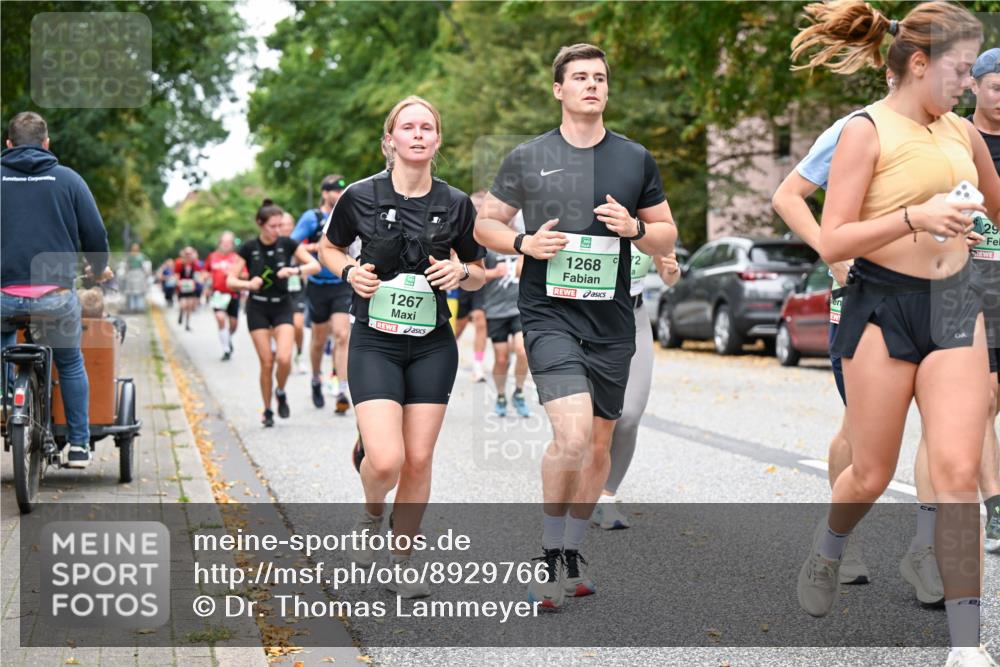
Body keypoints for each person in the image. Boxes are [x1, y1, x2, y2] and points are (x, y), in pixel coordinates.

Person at [788, 4, 999, 666]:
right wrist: (916, 215)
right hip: (881, 306)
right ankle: (828, 546)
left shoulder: (962, 133)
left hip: (954, 306)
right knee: (870, 471)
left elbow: (996, 206)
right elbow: (833, 236)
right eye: (961, 70)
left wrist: (973, 230)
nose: (967, 83)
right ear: (919, 64)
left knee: (960, 470)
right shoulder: (865, 131)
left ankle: (966, 644)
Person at [474, 44, 677, 609]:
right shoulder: (526, 157)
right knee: (573, 435)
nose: (592, 84)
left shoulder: (634, 159)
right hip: (549, 315)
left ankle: (570, 551)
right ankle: (547, 554)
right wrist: (523, 242)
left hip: (612, 321)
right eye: (580, 77)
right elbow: (485, 224)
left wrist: (635, 227)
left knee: (600, 443)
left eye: (600, 77)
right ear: (558, 89)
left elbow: (667, 235)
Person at [319, 95, 486, 598]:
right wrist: (349, 271)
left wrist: (461, 271)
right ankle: (372, 515)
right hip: (374, 341)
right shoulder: (360, 195)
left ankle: (401, 560)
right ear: (390, 139)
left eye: (427, 127)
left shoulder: (457, 204)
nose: (418, 134)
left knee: (418, 459)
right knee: (387, 461)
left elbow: (480, 271)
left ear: (437, 140)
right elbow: (328, 248)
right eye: (408, 127)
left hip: (433, 343)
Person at [0, 111, 111, 468]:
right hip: (56, 296)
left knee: (3, 344)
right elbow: (95, 235)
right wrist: (97, 269)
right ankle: (79, 445)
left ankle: (6, 402)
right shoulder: (68, 179)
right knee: (70, 361)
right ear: (47, 144)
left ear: (8, 144)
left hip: (3, 294)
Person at [592, 250, 681, 530]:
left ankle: (606, 497)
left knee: (628, 417)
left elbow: (670, 276)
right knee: (583, 418)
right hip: (584, 316)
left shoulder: (649, 218)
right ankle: (577, 488)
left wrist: (672, 270)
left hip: (633, 316)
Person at [227, 200, 320, 427]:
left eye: (280, 225)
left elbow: (315, 266)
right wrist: (248, 285)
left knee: (284, 358)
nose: (278, 230)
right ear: (260, 224)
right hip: (258, 307)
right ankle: (268, 410)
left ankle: (280, 390)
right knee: (267, 361)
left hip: (282, 306)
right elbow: (231, 279)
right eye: (273, 226)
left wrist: (294, 270)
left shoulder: (288, 244)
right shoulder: (249, 248)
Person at [969, 47, 1000, 554]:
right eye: (996, 85)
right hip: (970, 283)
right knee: (981, 399)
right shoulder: (955, 137)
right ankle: (995, 509)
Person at [292, 174, 355, 413]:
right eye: (334, 191)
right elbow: (291, 243)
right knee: (318, 340)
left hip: (342, 282)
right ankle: (316, 379)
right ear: (324, 193)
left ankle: (341, 389)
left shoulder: (348, 214)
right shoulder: (313, 217)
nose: (339, 195)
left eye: (342, 191)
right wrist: (312, 257)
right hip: (318, 285)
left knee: (341, 335)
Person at [204, 231, 241, 361]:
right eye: (224, 242)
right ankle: (226, 349)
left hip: (233, 293)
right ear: (220, 243)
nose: (226, 244)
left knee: (233, 324)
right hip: (218, 293)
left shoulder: (237, 258)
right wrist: (207, 284)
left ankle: (227, 337)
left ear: (232, 244)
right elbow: (206, 272)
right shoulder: (212, 256)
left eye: (229, 242)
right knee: (220, 318)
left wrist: (233, 274)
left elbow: (246, 275)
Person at [279, 212, 308, 373]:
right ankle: (283, 355)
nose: (286, 227)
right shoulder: (273, 243)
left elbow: (311, 263)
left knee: (297, 325)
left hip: (296, 288)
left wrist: (300, 269)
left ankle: (299, 353)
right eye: (282, 224)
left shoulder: (299, 243)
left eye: (289, 224)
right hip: (278, 289)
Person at [174, 247, 202, 331]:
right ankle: (181, 313)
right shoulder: (179, 263)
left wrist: (198, 281)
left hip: (191, 287)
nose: (188, 256)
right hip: (182, 287)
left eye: (190, 254)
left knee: (189, 306)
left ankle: (187, 324)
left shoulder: (195, 264)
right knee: (183, 305)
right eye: (186, 254)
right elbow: (176, 274)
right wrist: (178, 281)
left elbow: (198, 275)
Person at [124, 243, 149, 312]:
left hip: (139, 273)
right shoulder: (130, 256)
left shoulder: (141, 256)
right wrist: (126, 274)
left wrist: (146, 273)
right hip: (132, 274)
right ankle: (133, 307)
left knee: (139, 291)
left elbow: (143, 266)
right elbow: (127, 266)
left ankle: (139, 307)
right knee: (132, 291)